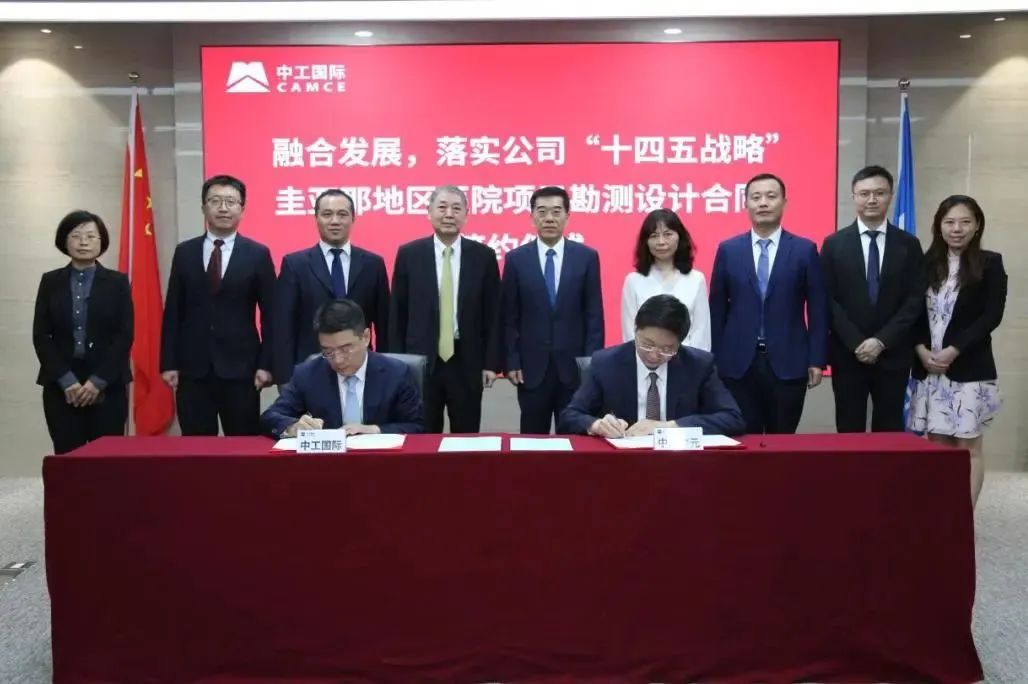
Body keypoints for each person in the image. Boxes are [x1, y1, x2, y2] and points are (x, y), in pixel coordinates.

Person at [709, 173, 827, 435]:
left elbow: (818, 310)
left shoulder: (804, 250)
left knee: (782, 440)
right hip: (738, 364)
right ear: (746, 204)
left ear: (784, 202)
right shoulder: (729, 250)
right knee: (743, 438)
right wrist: (715, 360)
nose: (763, 203)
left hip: (789, 363)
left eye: (771, 196)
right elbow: (716, 310)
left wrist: (817, 359)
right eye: (756, 197)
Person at [909, 195, 1006, 508]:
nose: (957, 228)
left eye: (965, 222)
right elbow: (912, 312)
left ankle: (964, 516)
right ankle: (943, 513)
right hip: (930, 368)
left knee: (968, 446)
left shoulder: (990, 263)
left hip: (969, 368)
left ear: (977, 226)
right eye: (949, 222)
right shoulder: (925, 264)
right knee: (939, 445)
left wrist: (954, 350)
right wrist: (920, 350)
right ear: (939, 226)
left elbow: (991, 316)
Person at [160, 174, 276, 435]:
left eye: (230, 202)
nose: (223, 208)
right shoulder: (185, 252)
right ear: (204, 208)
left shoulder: (258, 254)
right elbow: (173, 311)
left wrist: (267, 364)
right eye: (215, 201)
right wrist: (168, 362)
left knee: (243, 445)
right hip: (193, 368)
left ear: (242, 209)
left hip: (242, 369)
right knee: (197, 447)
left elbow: (271, 315)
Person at [389, 185, 502, 433]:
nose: (449, 214)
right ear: (429, 212)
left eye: (456, 208)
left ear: (466, 215)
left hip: (467, 361)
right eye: (442, 207)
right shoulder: (409, 254)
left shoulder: (483, 256)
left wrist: (491, 363)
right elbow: (397, 313)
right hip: (420, 361)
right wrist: (398, 363)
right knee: (422, 435)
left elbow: (493, 315)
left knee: (467, 437)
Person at [820, 165, 925, 432]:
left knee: (889, 430)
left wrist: (881, 341)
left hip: (893, 353)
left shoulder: (909, 244)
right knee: (849, 428)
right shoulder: (834, 244)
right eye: (864, 193)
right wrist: (856, 342)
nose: (872, 199)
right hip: (848, 354)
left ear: (890, 196)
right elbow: (828, 298)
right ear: (854, 196)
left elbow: (914, 300)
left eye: (879, 193)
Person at [558, 294, 744, 437]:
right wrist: (597, 425)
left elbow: (733, 418)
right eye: (647, 344)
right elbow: (569, 416)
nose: (654, 355)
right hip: (622, 462)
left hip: (679, 462)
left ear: (680, 343)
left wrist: (669, 426)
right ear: (635, 330)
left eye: (667, 349)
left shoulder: (698, 366)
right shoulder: (606, 364)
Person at [502, 186, 604, 434]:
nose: (549, 218)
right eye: (542, 211)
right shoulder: (516, 259)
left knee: (574, 437)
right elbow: (508, 317)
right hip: (531, 368)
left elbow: (593, 315)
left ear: (567, 216)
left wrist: (590, 364)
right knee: (531, 440)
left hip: (574, 368)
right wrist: (512, 360)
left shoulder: (586, 257)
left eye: (556, 212)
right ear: (532, 216)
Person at [33, 211, 133, 454]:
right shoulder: (50, 282)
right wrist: (67, 381)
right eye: (76, 236)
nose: (84, 242)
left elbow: (124, 335)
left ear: (102, 241)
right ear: (64, 241)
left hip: (107, 385)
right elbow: (41, 335)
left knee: (107, 460)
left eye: (90, 236)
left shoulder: (118, 282)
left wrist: (97, 382)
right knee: (68, 458)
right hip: (62, 386)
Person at [271, 189, 389, 385]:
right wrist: (285, 378)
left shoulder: (373, 264)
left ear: (353, 218)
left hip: (362, 368)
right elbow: (283, 327)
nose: (335, 221)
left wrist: (386, 372)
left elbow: (384, 325)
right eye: (327, 214)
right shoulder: (295, 265)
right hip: (310, 370)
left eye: (342, 214)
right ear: (316, 218)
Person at [261, 299, 423, 437]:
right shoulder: (307, 374)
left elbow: (417, 426)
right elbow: (270, 417)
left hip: (381, 460)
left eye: (346, 349)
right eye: (328, 352)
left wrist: (375, 430)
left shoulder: (397, 373)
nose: (338, 360)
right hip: (328, 462)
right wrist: (292, 426)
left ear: (366, 337)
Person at [621, 208, 710, 350]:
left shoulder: (696, 279)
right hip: (646, 359)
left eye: (668, 234)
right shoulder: (633, 281)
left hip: (686, 360)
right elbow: (630, 334)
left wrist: (692, 362)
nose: (661, 242)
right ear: (646, 241)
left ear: (679, 237)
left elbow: (701, 332)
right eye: (654, 236)